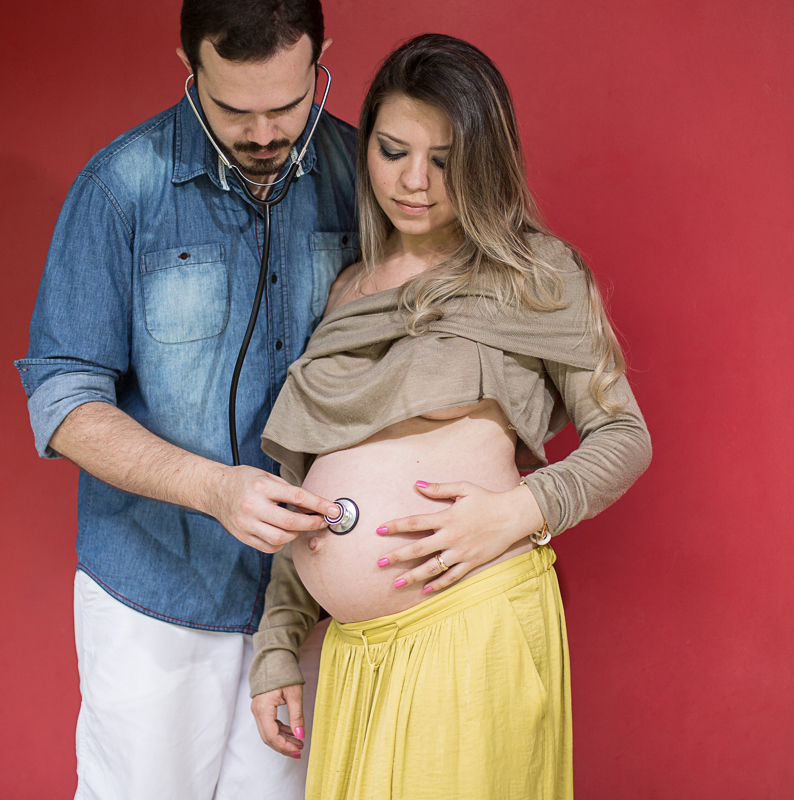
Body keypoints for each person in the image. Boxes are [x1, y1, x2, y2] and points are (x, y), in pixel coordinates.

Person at [246, 33, 652, 799]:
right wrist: (276, 646)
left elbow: (623, 435)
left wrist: (516, 512)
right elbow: (301, 491)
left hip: (471, 629)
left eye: (446, 161)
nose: (415, 183)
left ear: (486, 162)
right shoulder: (346, 290)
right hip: (355, 655)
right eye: (393, 151)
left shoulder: (534, 275)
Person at [14, 1, 357, 798]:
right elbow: (63, 401)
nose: (265, 132)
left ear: (321, 60)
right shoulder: (117, 187)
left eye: (288, 104)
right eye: (235, 109)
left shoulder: (365, 178)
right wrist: (213, 488)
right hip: (152, 592)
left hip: (307, 600)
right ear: (187, 66)